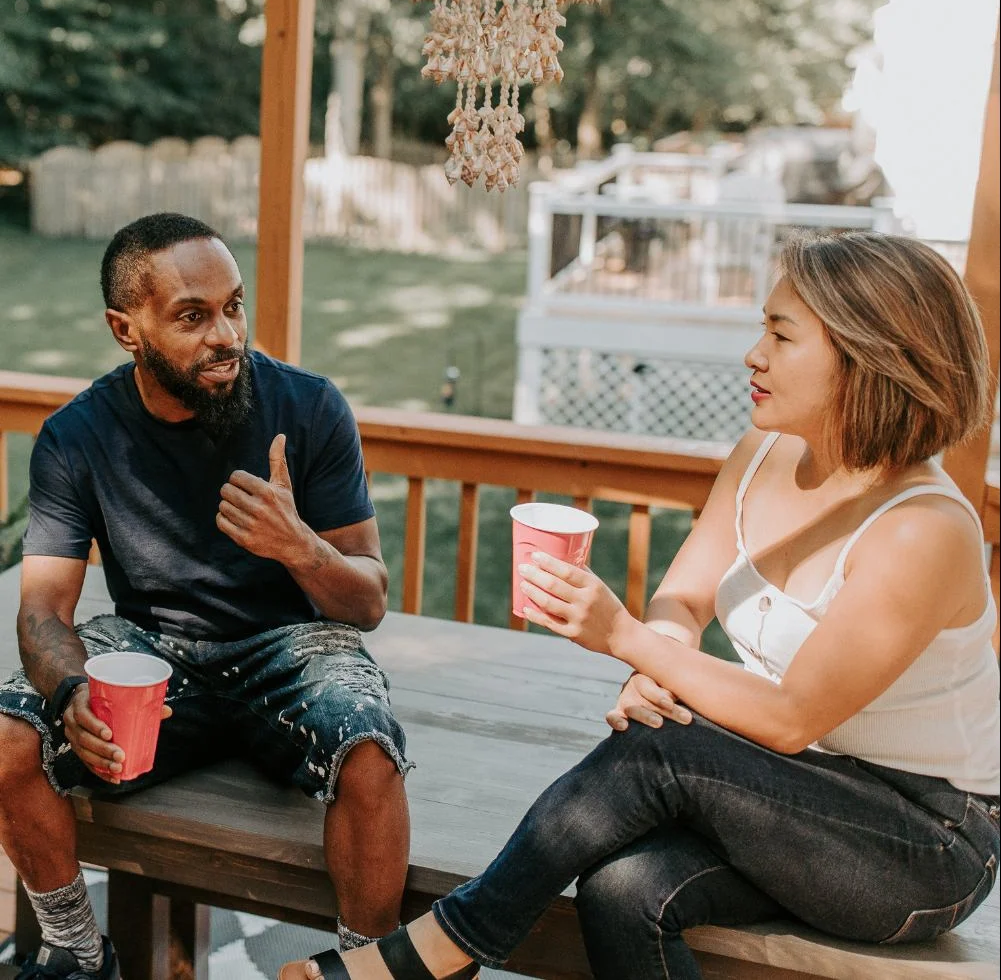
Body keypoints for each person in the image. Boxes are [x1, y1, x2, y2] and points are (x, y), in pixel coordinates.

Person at [279, 231, 1000, 980]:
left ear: (867, 356)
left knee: (664, 748)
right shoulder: (763, 455)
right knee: (623, 888)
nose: (753, 355)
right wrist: (657, 662)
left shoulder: (923, 530)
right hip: (795, 794)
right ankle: (444, 956)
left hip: (923, 842)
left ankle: (443, 950)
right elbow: (682, 600)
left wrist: (624, 639)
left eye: (781, 336)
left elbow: (791, 717)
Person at [0, 213, 411, 980]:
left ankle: (367, 969)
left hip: (293, 645)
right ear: (126, 329)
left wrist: (301, 547)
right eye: (193, 316)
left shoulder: (309, 407)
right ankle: (76, 951)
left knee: (369, 749)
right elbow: (42, 612)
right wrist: (70, 691)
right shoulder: (77, 436)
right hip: (153, 653)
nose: (226, 335)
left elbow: (366, 604)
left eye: (233, 306)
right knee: (7, 735)